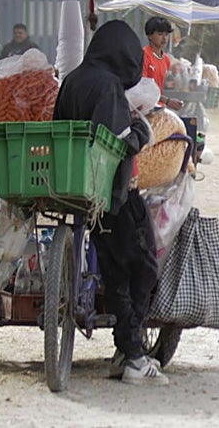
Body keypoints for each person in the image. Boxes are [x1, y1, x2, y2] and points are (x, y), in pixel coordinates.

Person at [52, 20, 166, 385]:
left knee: (116, 270)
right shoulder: (108, 87)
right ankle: (132, 355)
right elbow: (115, 143)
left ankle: (125, 353)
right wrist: (142, 131)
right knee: (142, 267)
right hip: (112, 194)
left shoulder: (73, 79)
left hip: (80, 191)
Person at [142, 16, 184, 112]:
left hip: (159, 107)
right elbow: (143, 88)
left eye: (166, 34)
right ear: (149, 36)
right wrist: (167, 101)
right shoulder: (143, 56)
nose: (164, 38)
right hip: (145, 109)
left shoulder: (166, 59)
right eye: (160, 34)